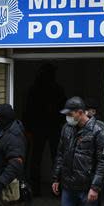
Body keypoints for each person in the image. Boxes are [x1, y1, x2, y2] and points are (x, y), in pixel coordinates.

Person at [24, 63, 66, 196]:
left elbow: (63, 110)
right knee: (44, 158)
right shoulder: (41, 89)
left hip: (46, 127)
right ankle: (43, 189)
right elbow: (28, 110)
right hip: (42, 127)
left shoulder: (51, 89)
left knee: (51, 158)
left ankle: (47, 188)